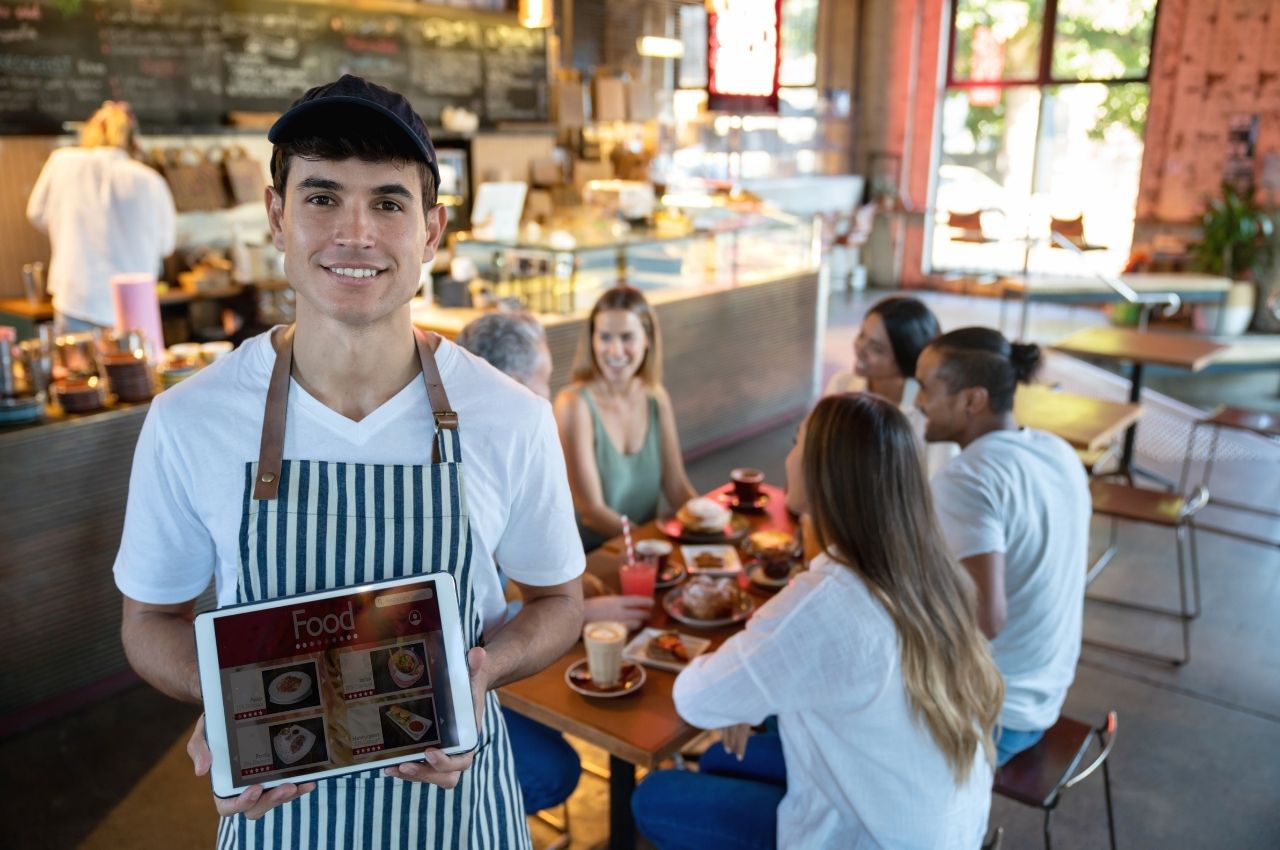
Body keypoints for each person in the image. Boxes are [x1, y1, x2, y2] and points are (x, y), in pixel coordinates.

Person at [112, 76, 585, 849]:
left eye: (389, 203)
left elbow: (559, 599)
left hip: (462, 821)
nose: (355, 232)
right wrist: (230, 699)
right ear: (277, 216)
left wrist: (484, 669)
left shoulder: (510, 418)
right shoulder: (188, 421)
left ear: (432, 231)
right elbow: (147, 619)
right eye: (323, 197)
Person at [633, 393, 1003, 849]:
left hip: (869, 837)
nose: (786, 458)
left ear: (822, 473)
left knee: (655, 794)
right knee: (717, 759)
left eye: (795, 443)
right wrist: (752, 690)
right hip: (945, 826)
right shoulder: (928, 570)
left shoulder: (830, 599)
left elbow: (696, 699)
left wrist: (743, 690)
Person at [457, 309, 656, 816]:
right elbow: (482, 615)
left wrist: (572, 592)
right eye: (542, 382)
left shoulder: (495, 434)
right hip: (461, 685)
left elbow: (533, 577)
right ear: (511, 384)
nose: (547, 396)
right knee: (556, 768)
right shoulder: (484, 447)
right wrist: (580, 610)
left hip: (490, 671)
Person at [914, 327, 1090, 766]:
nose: (917, 402)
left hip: (993, 717)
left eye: (925, 388)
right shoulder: (1058, 452)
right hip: (1044, 697)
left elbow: (983, 618)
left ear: (973, 399)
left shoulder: (966, 478)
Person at [554, 286, 698, 551]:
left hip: (645, 555)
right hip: (589, 561)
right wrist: (649, 548)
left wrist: (711, 527)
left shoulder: (656, 398)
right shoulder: (573, 405)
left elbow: (677, 488)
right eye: (605, 337)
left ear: (647, 340)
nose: (615, 351)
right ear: (592, 341)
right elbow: (591, 511)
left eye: (627, 337)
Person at [27, 100, 177, 333]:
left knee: (76, 369)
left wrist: (70, 229)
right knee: (135, 368)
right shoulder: (150, 180)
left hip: (76, 295)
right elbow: (165, 245)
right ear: (133, 139)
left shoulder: (62, 162)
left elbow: (36, 214)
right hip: (134, 301)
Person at [823, 294, 956, 477]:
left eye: (876, 349)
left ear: (906, 360)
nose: (860, 348)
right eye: (862, 335)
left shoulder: (930, 414)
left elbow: (938, 483)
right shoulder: (842, 386)